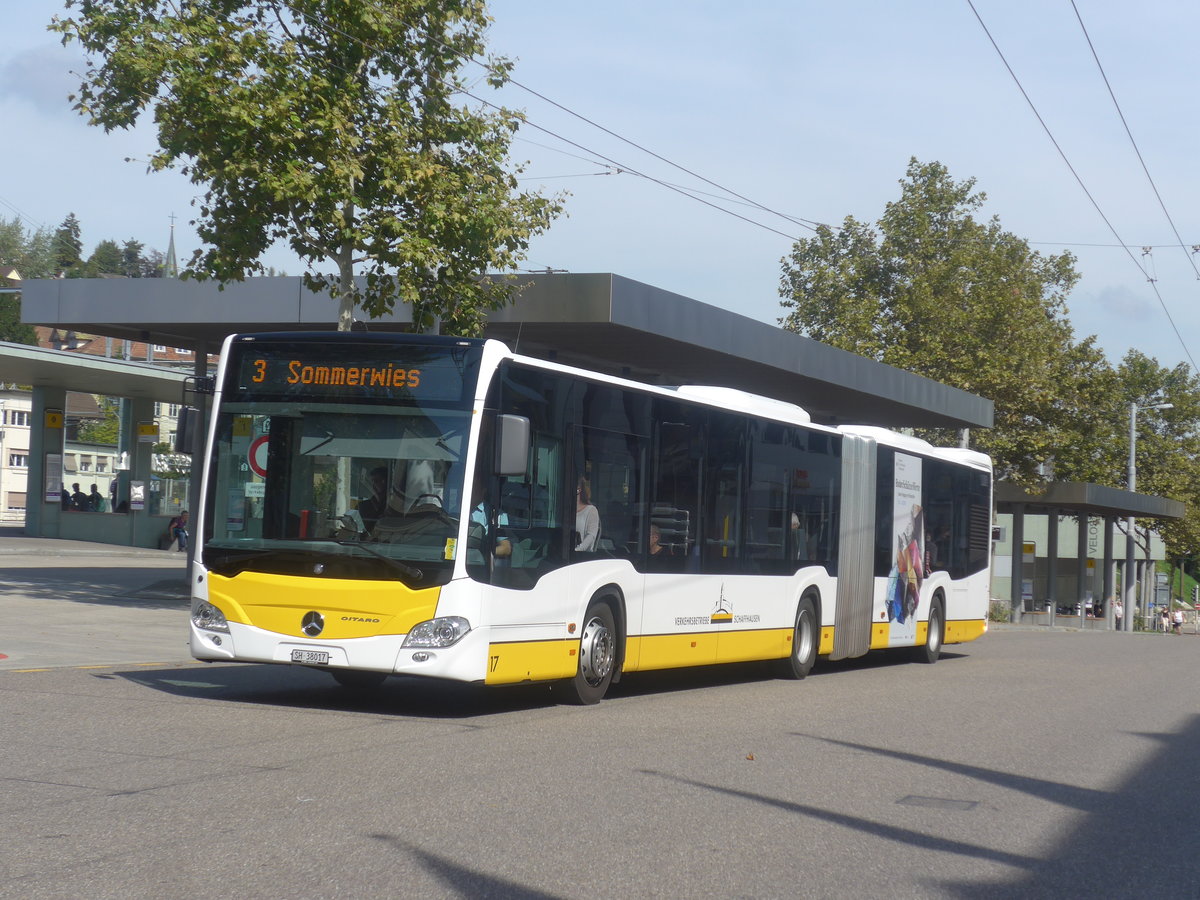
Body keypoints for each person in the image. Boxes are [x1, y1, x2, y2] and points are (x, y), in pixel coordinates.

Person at [355, 467, 389, 531]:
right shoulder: (363, 506)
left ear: (385, 482)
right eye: (372, 481)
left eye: (376, 481)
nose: (373, 485)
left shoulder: (393, 506)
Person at [575, 477, 600, 552]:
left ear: (578, 490)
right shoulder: (563, 510)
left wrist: (577, 550)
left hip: (581, 556)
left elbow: (591, 536)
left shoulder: (591, 510)